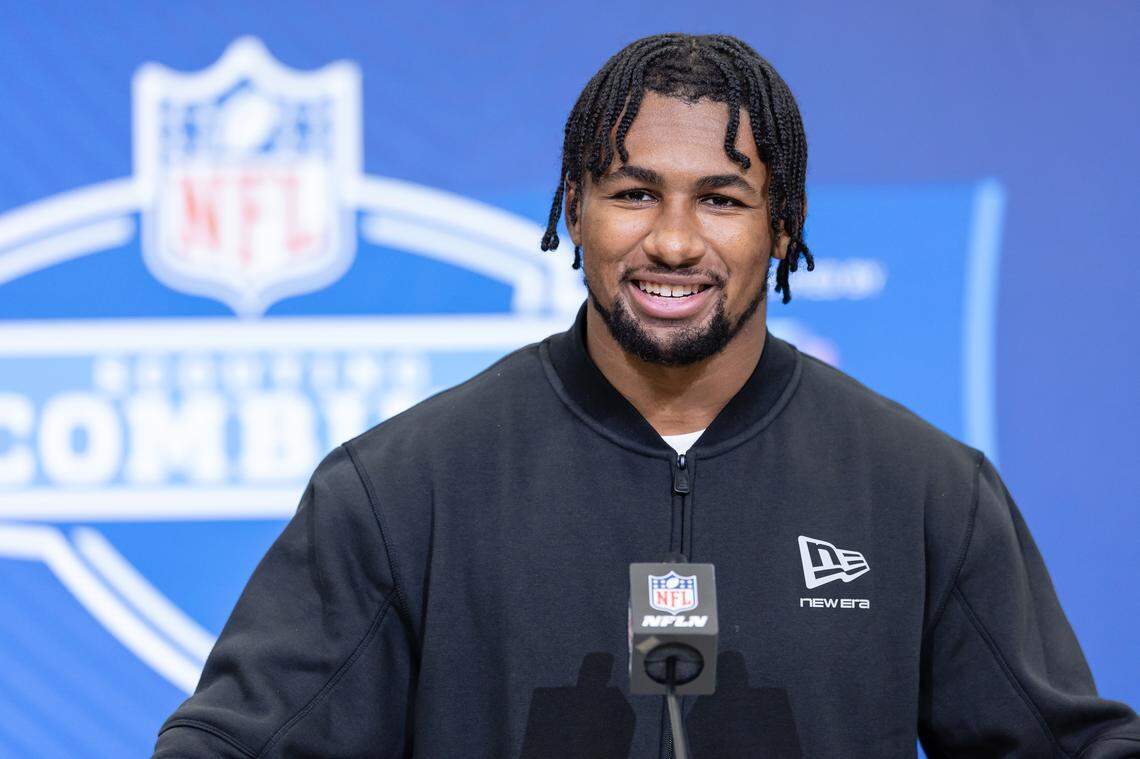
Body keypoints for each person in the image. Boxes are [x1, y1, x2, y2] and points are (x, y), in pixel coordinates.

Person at [153, 33, 1140, 758]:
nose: (673, 241)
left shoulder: (923, 490)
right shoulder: (406, 489)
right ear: (574, 211)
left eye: (721, 198)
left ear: (783, 226)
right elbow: (229, 746)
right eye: (633, 194)